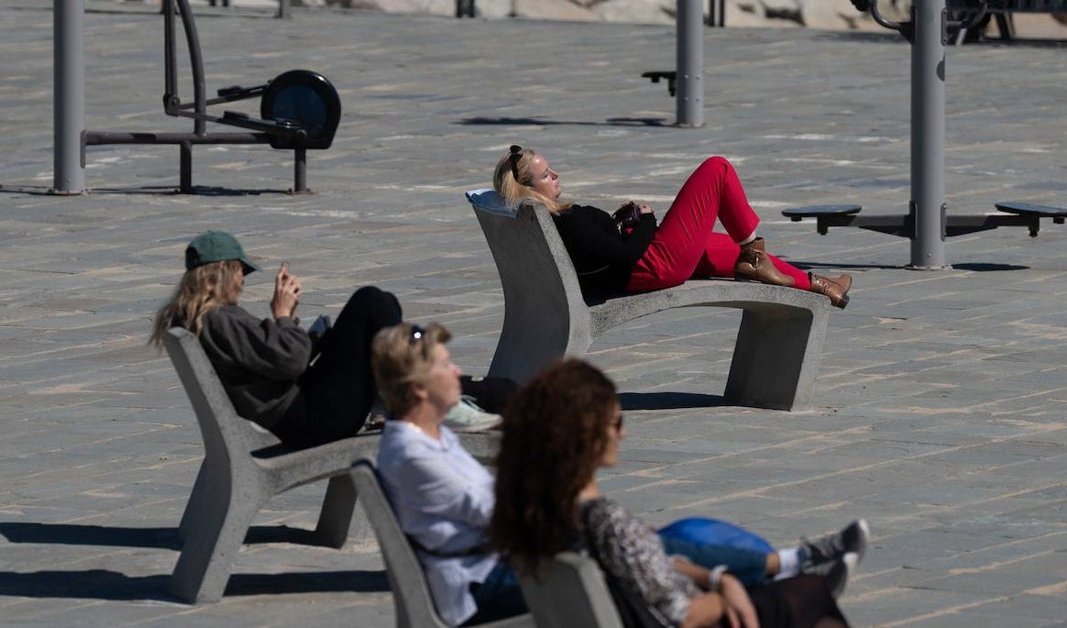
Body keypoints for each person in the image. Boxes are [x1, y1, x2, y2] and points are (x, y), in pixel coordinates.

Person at [372, 324, 865, 628]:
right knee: (667, 538)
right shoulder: (414, 453)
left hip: (505, 561)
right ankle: (787, 565)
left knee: (672, 534)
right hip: (483, 583)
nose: (458, 370)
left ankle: (784, 564)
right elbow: (503, 511)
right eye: (443, 365)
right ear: (417, 389)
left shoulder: (428, 435)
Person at [491, 359, 859, 628]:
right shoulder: (605, 520)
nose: (623, 434)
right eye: (617, 422)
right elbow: (681, 615)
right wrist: (723, 596)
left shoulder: (531, 513)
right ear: (587, 436)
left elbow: (640, 569)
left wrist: (717, 578)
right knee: (808, 595)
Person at [493, 147, 852, 308]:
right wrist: (646, 219)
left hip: (645, 263)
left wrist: (624, 223)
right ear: (528, 188)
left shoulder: (547, 219)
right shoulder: (564, 221)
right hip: (654, 266)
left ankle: (820, 286)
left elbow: (604, 252)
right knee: (717, 169)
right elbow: (625, 256)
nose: (555, 175)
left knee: (724, 248)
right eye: (545, 175)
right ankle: (754, 251)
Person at [150, 229, 405, 449]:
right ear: (222, 269)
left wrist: (305, 333)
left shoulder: (199, 319)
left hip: (301, 414)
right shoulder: (221, 320)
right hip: (313, 420)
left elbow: (274, 360)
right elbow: (292, 362)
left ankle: (391, 399)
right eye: (241, 271)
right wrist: (282, 314)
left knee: (381, 303)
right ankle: (408, 393)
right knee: (370, 300)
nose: (242, 282)